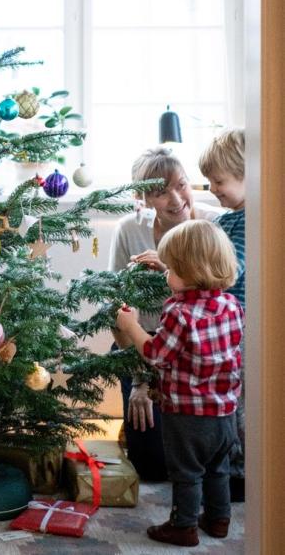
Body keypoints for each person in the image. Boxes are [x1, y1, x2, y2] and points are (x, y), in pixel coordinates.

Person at [115, 219, 243, 547]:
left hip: (188, 416)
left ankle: (183, 525)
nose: (166, 274)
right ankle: (218, 520)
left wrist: (131, 326)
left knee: (186, 473)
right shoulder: (231, 306)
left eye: (170, 269)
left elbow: (156, 354)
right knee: (218, 468)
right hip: (225, 412)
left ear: (187, 270)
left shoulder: (179, 313)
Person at [108, 148, 222, 481]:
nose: (176, 199)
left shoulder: (214, 225)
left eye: (182, 185)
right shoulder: (129, 230)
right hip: (144, 348)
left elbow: (222, 302)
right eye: (160, 192)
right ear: (143, 198)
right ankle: (137, 428)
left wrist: (168, 270)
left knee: (196, 462)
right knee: (153, 469)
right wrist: (141, 381)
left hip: (196, 356)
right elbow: (116, 308)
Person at [199, 128, 246, 502]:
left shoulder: (252, 221)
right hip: (222, 330)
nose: (213, 188)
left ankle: (243, 473)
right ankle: (228, 468)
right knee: (226, 404)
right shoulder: (225, 221)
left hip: (242, 331)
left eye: (219, 181)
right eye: (209, 182)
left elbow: (233, 270)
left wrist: (188, 270)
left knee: (241, 407)